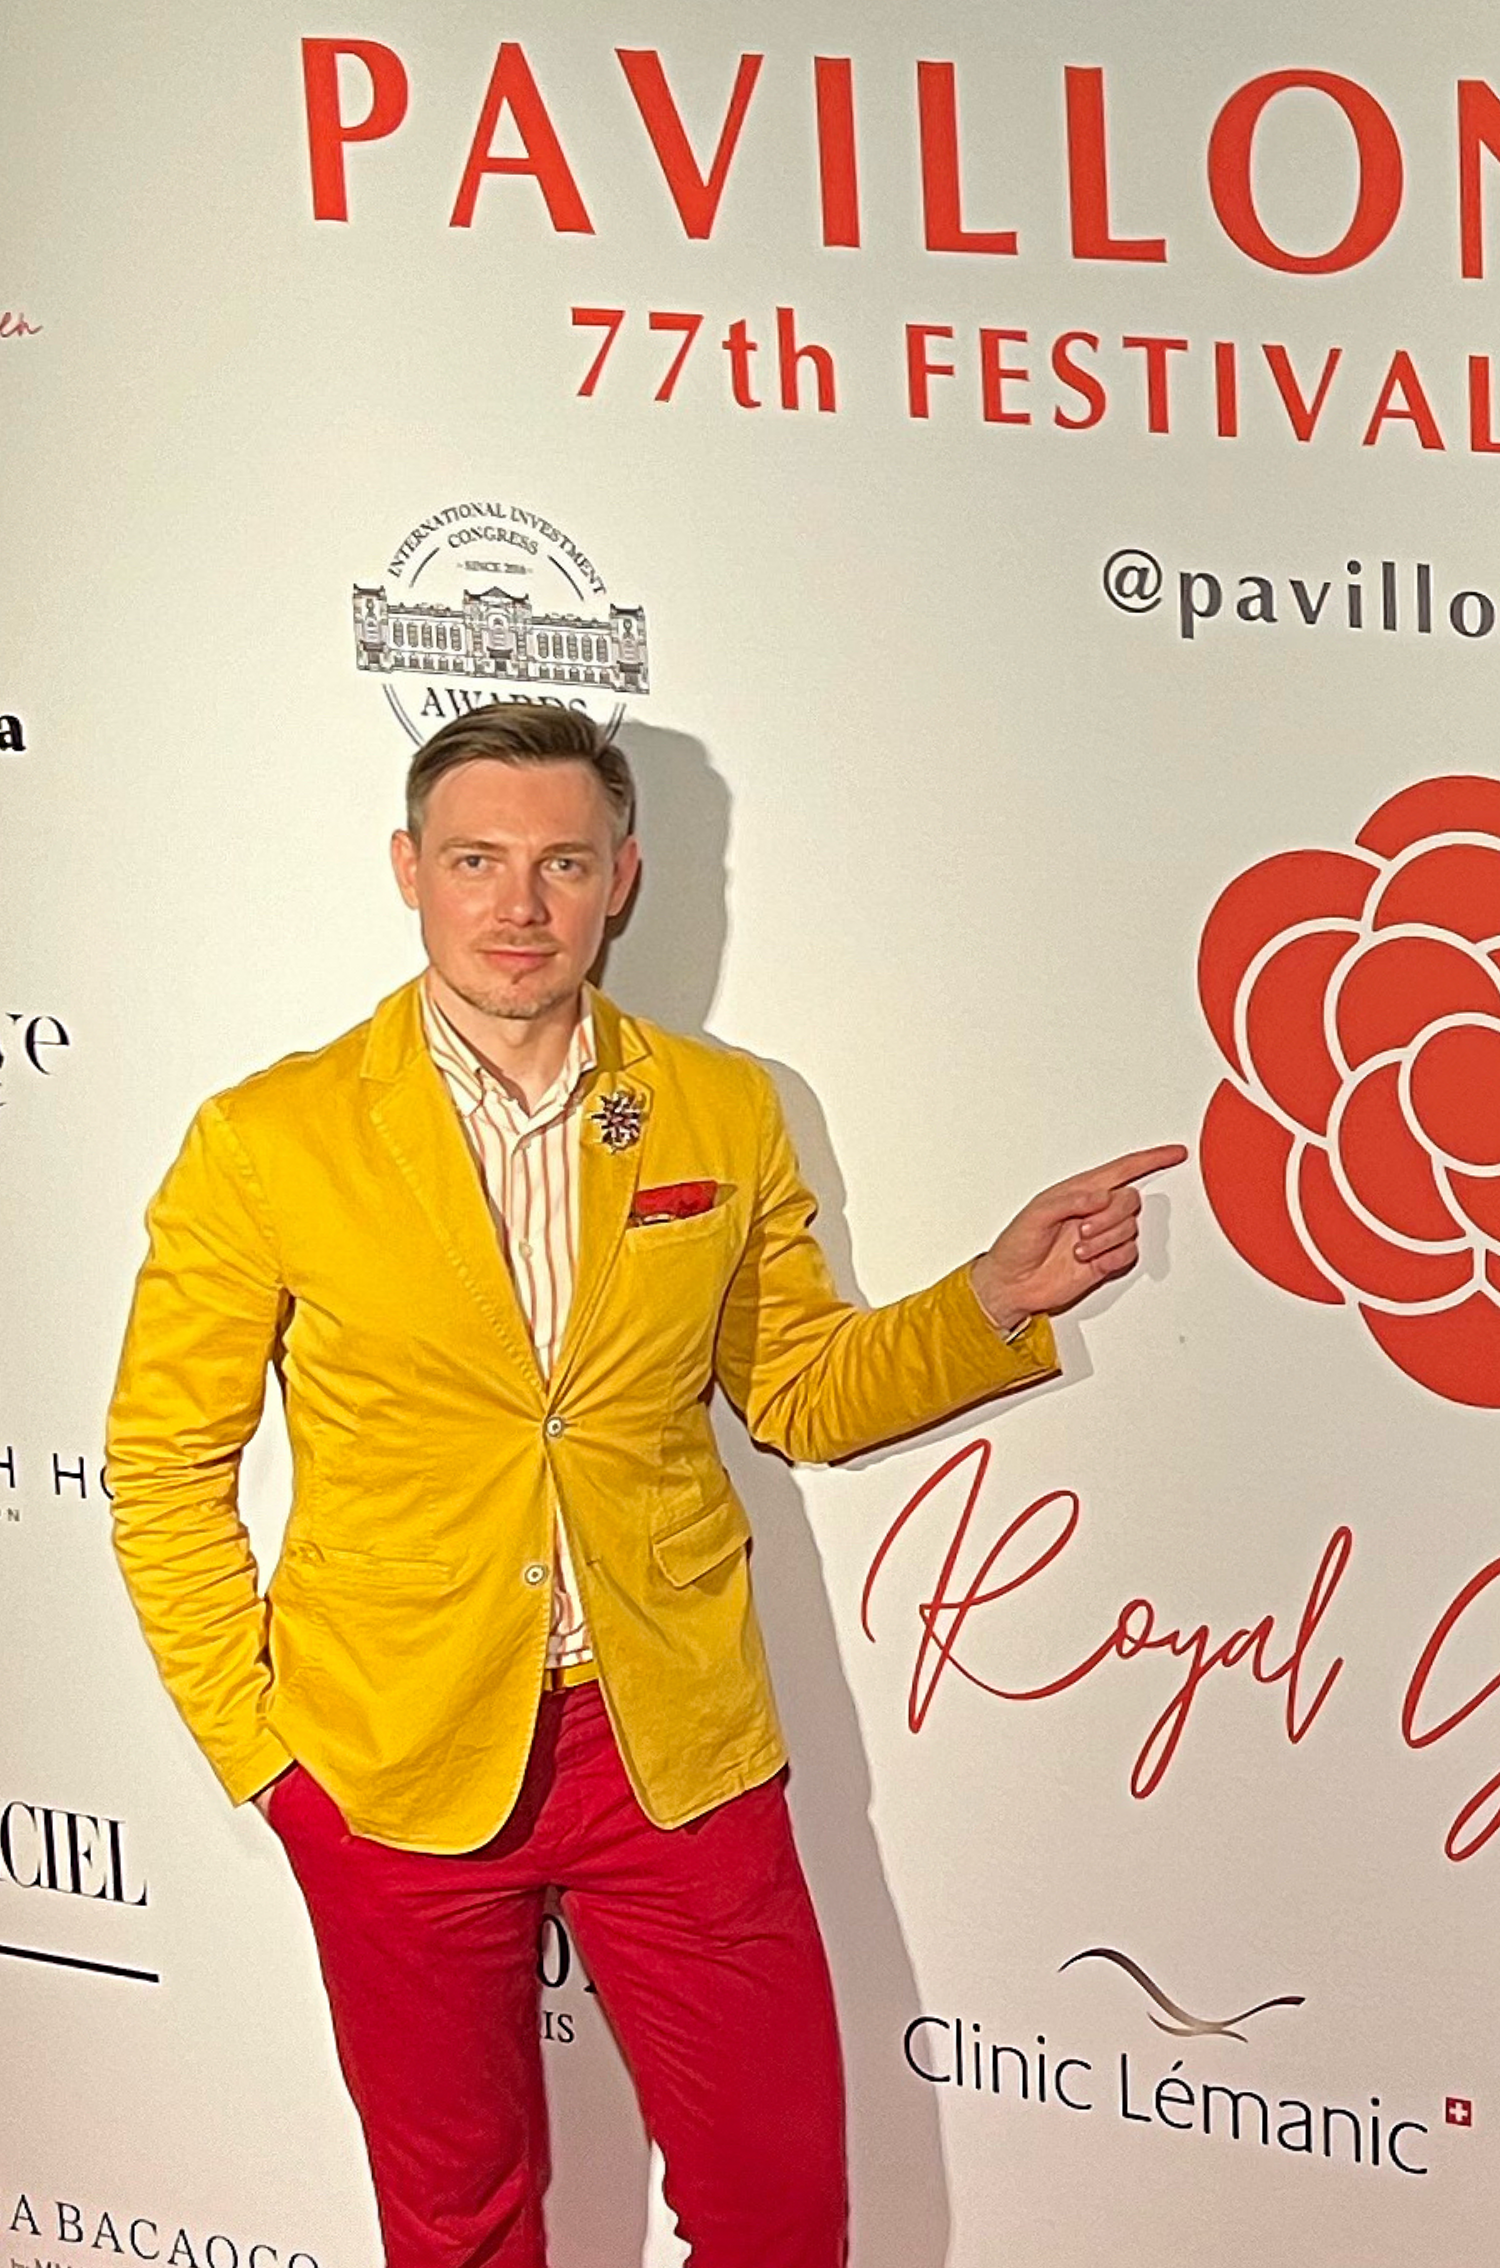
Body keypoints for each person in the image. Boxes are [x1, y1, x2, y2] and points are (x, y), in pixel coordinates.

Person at [105, 701, 1185, 2267]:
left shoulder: (719, 1108)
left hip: (669, 1743)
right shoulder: (267, 1141)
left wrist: (990, 1302)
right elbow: (159, 1463)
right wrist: (268, 1761)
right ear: (408, 870)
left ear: (624, 877)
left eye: (561, 861)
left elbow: (803, 1391)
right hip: (388, 1759)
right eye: (476, 860)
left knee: (779, 2209)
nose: (517, 905)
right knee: (458, 2226)